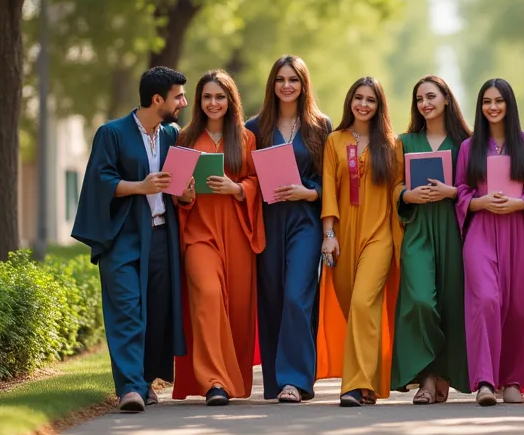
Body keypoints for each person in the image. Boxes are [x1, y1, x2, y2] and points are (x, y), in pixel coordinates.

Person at [71, 66, 189, 412]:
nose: (183, 102)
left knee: (155, 312)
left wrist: (185, 192)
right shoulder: (113, 133)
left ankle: (146, 382)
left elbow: (175, 187)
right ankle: (129, 389)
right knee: (126, 311)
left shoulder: (171, 133)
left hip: (160, 236)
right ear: (157, 99)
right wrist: (141, 186)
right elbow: (100, 180)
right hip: (123, 235)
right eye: (178, 96)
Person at [170, 70, 264, 406]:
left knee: (237, 310)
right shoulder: (184, 138)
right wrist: (184, 193)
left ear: (230, 100)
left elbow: (258, 182)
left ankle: (231, 377)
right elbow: (176, 194)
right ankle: (214, 383)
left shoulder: (247, 139)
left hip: (238, 233)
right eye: (207, 97)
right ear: (199, 101)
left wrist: (238, 188)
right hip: (199, 234)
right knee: (208, 297)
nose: (213, 103)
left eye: (220, 97)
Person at [245, 56, 333, 403]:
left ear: (303, 84)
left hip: (305, 220)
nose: (286, 85)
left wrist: (309, 191)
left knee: (298, 295)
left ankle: (295, 381)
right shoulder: (255, 127)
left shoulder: (320, 126)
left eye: (293, 79)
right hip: (267, 220)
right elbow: (246, 176)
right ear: (272, 84)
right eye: (280, 79)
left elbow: (333, 181)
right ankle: (277, 381)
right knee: (273, 299)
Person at [456, 78, 524, 407]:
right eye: (486, 102)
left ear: (509, 105)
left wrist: (519, 204)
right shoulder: (469, 147)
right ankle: (485, 381)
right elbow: (461, 191)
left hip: (518, 231)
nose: (492, 107)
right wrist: (479, 203)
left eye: (499, 101)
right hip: (481, 231)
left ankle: (513, 380)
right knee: (487, 300)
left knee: (519, 308)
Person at [319, 77, 401, 407]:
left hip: (379, 233)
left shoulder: (391, 144)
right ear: (350, 101)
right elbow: (328, 187)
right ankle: (369, 384)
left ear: (379, 106)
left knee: (363, 303)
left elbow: (398, 190)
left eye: (370, 100)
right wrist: (328, 235)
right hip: (342, 235)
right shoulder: (334, 141)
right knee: (354, 308)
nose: (363, 104)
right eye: (358, 98)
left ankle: (353, 385)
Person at [391, 76, 472, 404]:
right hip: (419, 232)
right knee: (422, 301)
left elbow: (474, 188)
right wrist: (408, 195)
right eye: (420, 98)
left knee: (451, 306)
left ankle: (439, 377)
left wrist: (450, 192)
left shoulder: (465, 144)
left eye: (431, 96)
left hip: (454, 232)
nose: (425, 103)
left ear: (446, 100)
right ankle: (425, 377)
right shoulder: (405, 142)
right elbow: (394, 187)